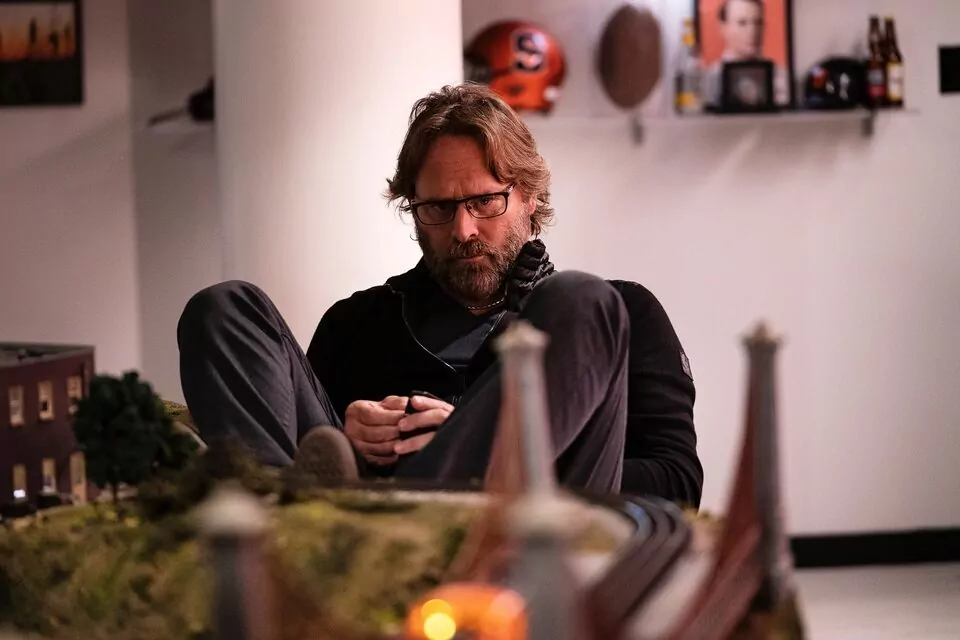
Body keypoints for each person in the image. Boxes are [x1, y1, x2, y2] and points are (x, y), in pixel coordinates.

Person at [177, 82, 703, 504]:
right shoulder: (355, 324)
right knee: (225, 308)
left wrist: (486, 444)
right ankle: (272, 530)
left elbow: (678, 485)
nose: (463, 230)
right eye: (438, 208)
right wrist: (345, 439)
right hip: (359, 537)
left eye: (485, 202)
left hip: (519, 540)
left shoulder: (623, 315)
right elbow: (309, 448)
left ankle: (480, 478)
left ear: (529, 195)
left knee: (586, 300)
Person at [705, 0, 790, 108]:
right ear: (723, 28)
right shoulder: (709, 80)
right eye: (742, 23)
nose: (753, 31)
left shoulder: (781, 78)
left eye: (758, 23)